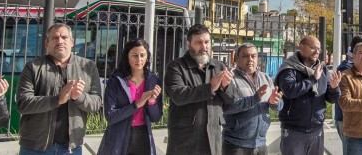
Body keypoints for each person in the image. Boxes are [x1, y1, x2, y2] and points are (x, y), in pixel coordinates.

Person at [17, 23, 102, 155]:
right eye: (55, 38)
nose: (60, 41)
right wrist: (57, 100)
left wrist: (78, 97)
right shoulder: (33, 67)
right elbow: (23, 103)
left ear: (72, 42)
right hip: (35, 147)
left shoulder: (88, 67)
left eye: (64, 37)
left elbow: (96, 104)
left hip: (71, 148)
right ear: (47, 43)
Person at [164, 24, 236, 155]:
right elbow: (178, 95)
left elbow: (232, 99)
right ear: (188, 44)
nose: (204, 47)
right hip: (185, 142)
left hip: (212, 142)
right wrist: (210, 87)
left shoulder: (218, 66)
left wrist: (225, 87)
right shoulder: (176, 67)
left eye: (207, 42)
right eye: (198, 43)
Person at [275, 35, 342, 155]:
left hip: (316, 130)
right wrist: (312, 79)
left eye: (319, 49)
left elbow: (330, 99)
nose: (316, 52)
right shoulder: (289, 69)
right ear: (301, 47)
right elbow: (290, 91)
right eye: (312, 47)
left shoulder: (322, 69)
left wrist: (334, 87)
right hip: (294, 130)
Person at [98, 38, 163, 155]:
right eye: (134, 55)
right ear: (127, 57)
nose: (139, 59)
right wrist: (137, 104)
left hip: (143, 135)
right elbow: (110, 116)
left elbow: (156, 118)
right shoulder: (116, 81)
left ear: (147, 56)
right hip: (119, 135)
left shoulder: (153, 80)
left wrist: (151, 102)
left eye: (142, 55)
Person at [223, 43, 282, 155]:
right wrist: (255, 98)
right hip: (235, 145)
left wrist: (275, 102)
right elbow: (227, 107)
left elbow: (278, 106)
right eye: (245, 56)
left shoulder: (266, 78)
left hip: (260, 143)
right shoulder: (231, 79)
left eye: (253, 56)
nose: (250, 59)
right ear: (237, 58)